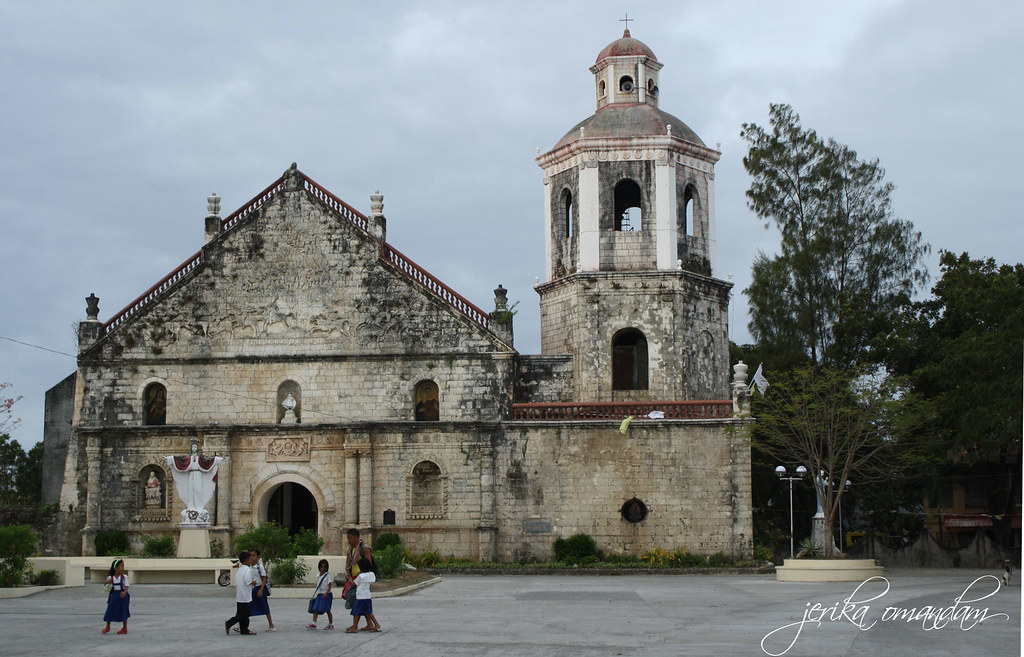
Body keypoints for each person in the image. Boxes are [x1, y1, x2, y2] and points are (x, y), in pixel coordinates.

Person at [225, 551, 258, 636]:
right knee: (244, 614)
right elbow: (248, 581)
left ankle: (244, 629)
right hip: (245, 596)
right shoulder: (247, 569)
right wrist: (253, 582)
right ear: (246, 560)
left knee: (241, 613)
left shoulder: (240, 570)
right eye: (250, 559)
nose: (251, 561)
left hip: (240, 596)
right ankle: (229, 622)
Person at [346, 557, 381, 633]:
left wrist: (350, 579)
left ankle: (355, 627)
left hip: (360, 596)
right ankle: (375, 624)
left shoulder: (361, 576)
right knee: (368, 611)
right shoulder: (371, 574)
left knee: (356, 612)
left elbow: (354, 584)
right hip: (367, 596)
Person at [248, 549, 275, 632]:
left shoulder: (260, 567)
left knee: (264, 606)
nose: (252, 558)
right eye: (250, 556)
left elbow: (264, 579)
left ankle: (271, 624)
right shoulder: (249, 567)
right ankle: (243, 624)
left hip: (259, 588)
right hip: (252, 589)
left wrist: (261, 589)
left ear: (258, 557)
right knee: (248, 607)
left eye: (254, 556)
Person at [102, 558, 130, 634]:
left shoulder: (124, 577)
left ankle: (125, 628)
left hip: (123, 596)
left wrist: (125, 592)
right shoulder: (110, 578)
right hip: (114, 595)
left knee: (123, 610)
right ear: (116, 568)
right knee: (110, 610)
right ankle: (108, 626)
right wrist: (107, 583)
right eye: (121, 566)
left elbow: (127, 586)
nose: (123, 568)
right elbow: (106, 589)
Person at [307, 559, 334, 630]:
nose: (323, 569)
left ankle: (331, 624)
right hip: (320, 594)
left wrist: (326, 592)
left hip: (326, 594)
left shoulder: (328, 576)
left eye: (324, 567)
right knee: (315, 608)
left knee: (327, 610)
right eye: (321, 567)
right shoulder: (318, 575)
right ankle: (314, 623)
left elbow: (330, 585)